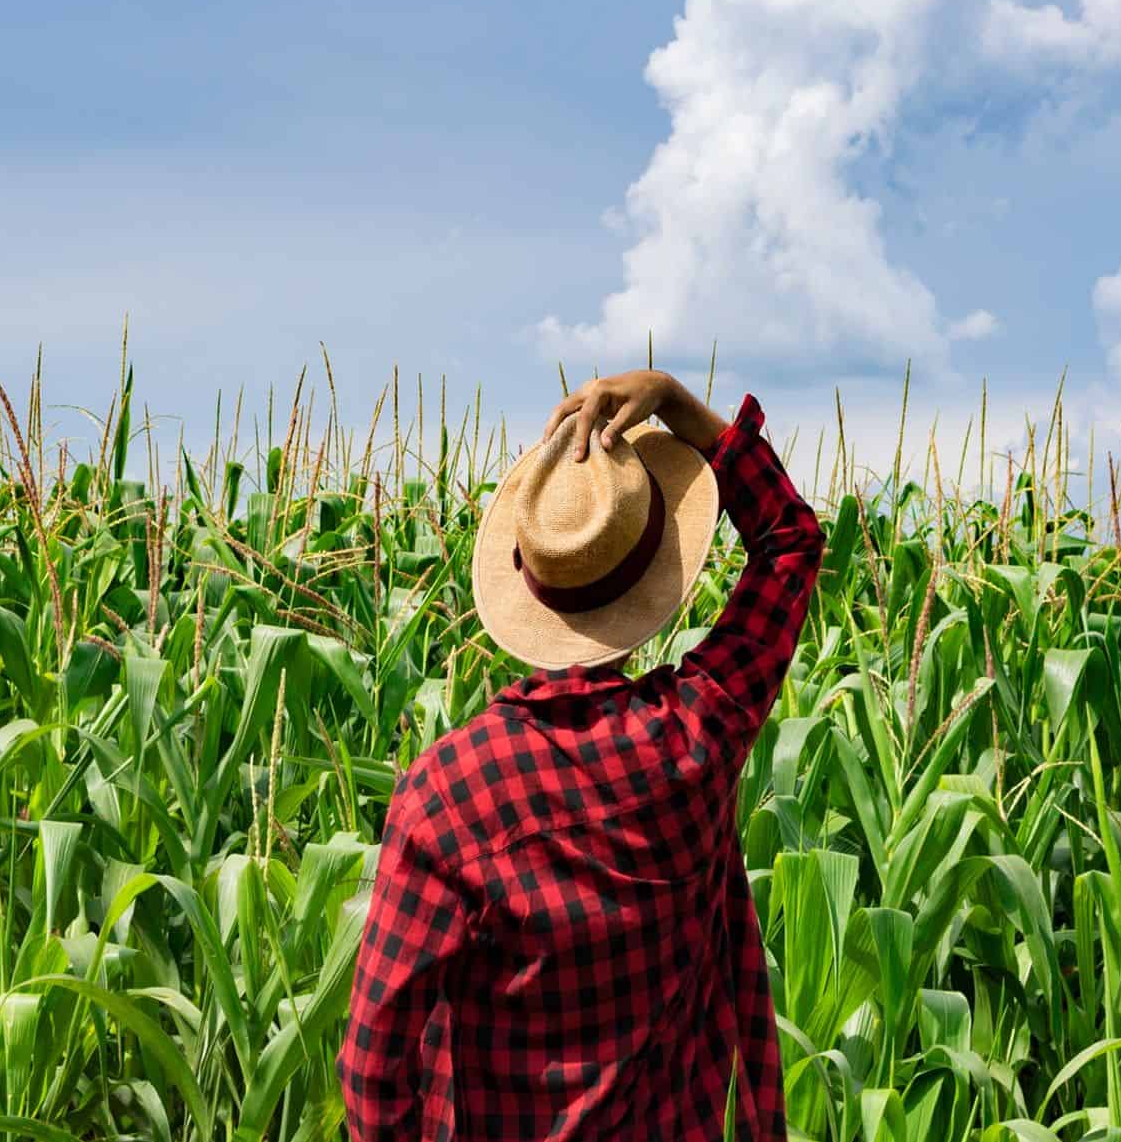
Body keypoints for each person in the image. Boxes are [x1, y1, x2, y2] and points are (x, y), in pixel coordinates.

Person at [338, 368, 824, 1141]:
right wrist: (675, 402)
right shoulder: (698, 736)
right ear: (654, 569)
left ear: (528, 584)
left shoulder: (446, 796)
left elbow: (372, 1063)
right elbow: (789, 542)